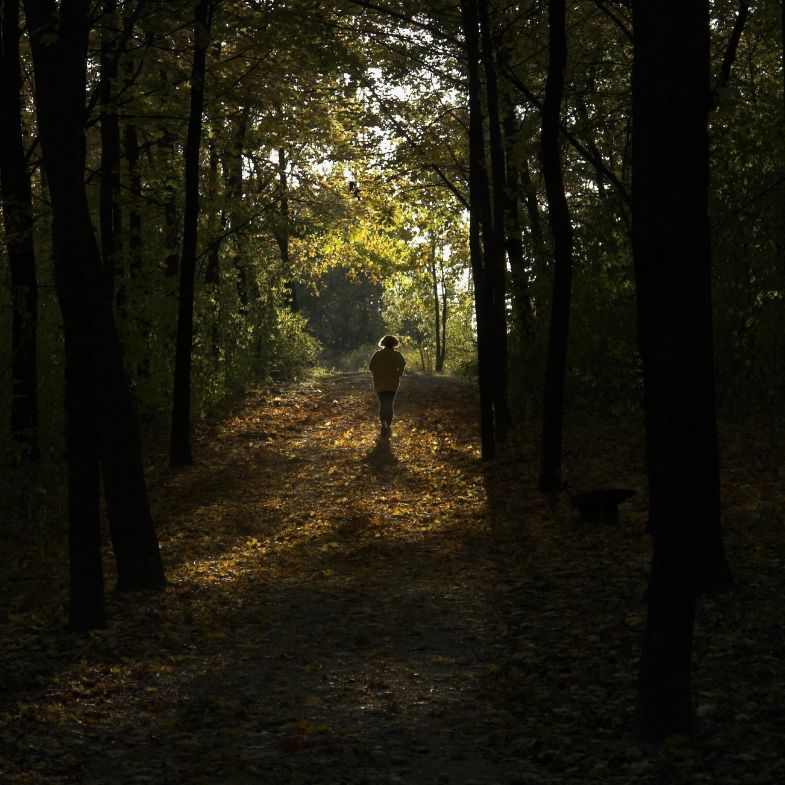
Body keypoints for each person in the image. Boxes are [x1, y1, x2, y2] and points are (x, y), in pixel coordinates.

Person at [368, 335, 406, 438]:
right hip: (392, 383)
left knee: (382, 404)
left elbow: (371, 367)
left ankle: (383, 425)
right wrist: (399, 373)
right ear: (394, 343)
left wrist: (378, 373)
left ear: (383, 343)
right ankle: (388, 426)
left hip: (379, 383)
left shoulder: (377, 354)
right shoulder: (397, 355)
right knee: (389, 404)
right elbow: (402, 365)